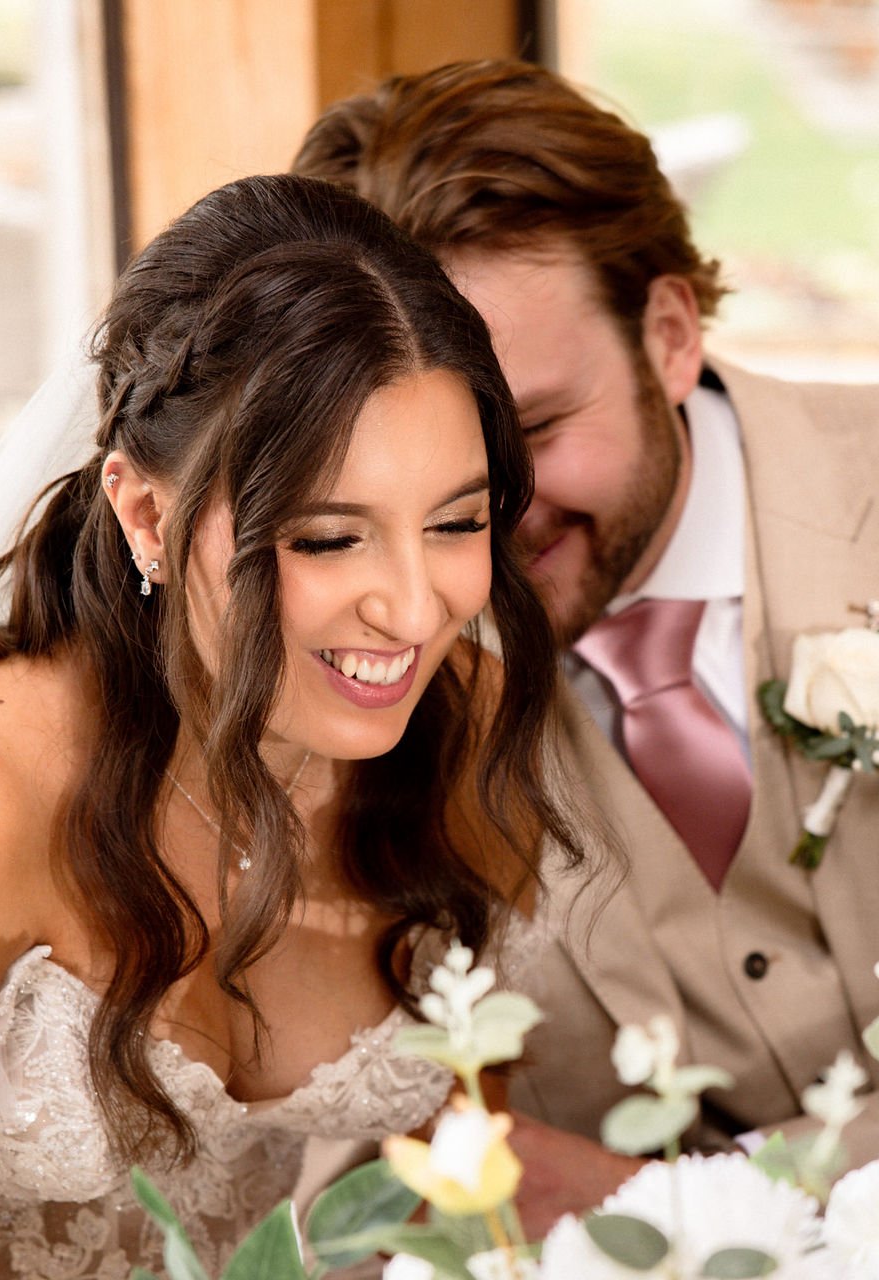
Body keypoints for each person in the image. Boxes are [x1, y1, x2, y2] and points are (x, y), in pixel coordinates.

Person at [0, 172, 578, 1279]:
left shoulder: (459, 739)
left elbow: (446, 1205)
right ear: (145, 511)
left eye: (454, 521)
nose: (415, 605)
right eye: (330, 537)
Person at [293, 58, 879, 1225]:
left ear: (668, 335)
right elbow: (356, 1175)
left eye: (537, 432)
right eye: (422, 471)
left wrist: (662, 1198)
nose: (487, 525)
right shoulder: (343, 687)